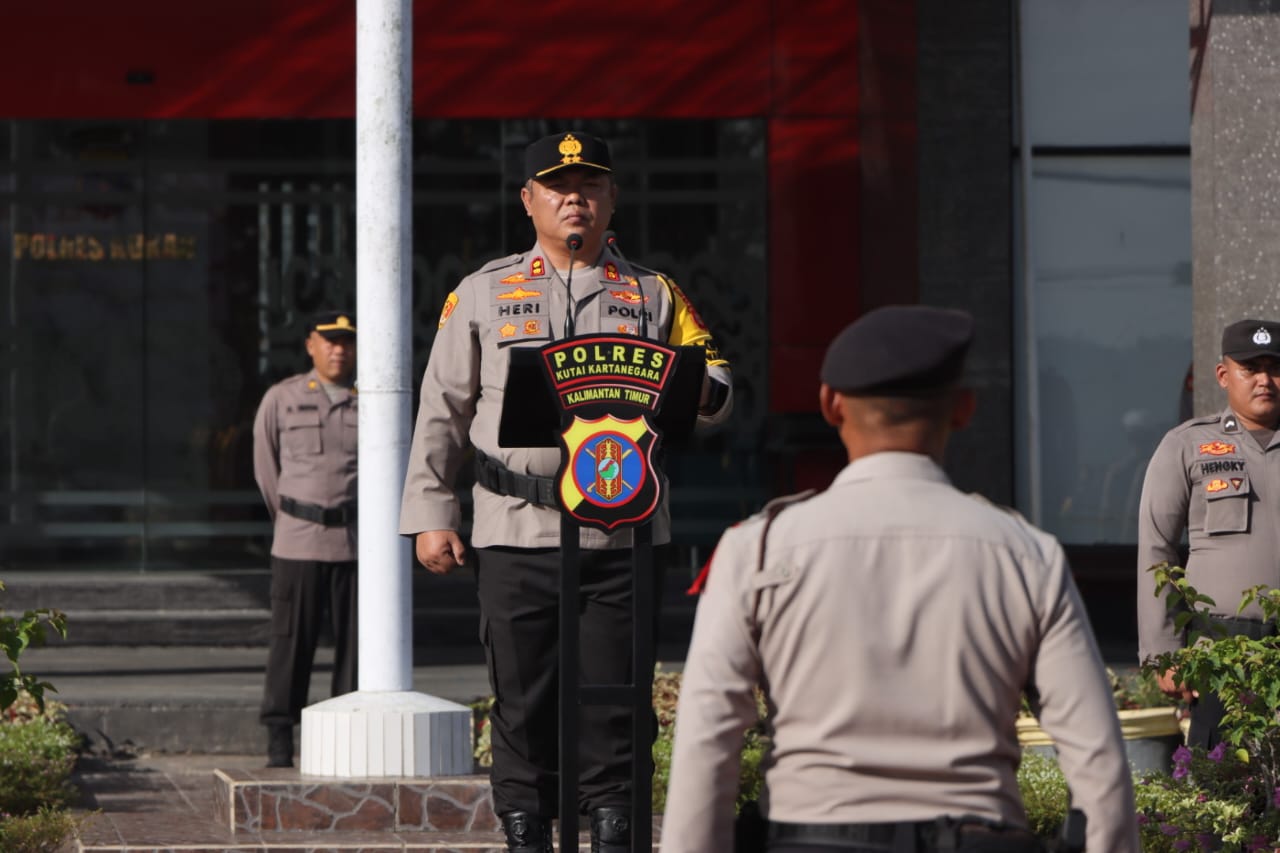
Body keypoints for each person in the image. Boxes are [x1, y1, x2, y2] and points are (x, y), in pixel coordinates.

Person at [661, 306, 1139, 853]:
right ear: (963, 410)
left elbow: (706, 743)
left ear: (830, 405)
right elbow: (1099, 760)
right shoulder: (1027, 555)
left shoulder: (758, 549)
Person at [399, 131, 733, 853]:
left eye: (589, 184)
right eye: (556, 185)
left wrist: (690, 383)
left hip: (623, 531)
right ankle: (526, 826)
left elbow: (720, 389)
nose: (574, 197)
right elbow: (442, 410)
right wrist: (430, 512)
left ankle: (615, 824)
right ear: (529, 201)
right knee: (523, 700)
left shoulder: (653, 293)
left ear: (611, 199)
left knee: (618, 698)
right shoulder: (485, 292)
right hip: (515, 528)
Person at [1137, 317, 1280, 748]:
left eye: (1274, 367)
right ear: (1223, 375)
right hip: (1220, 648)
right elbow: (1156, 551)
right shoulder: (1187, 445)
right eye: (1250, 368)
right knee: (1224, 778)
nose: (1264, 380)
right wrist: (1164, 653)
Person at [252, 310, 360, 768]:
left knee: (357, 648)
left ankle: (351, 735)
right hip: (298, 540)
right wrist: (295, 518)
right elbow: (265, 469)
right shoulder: (283, 398)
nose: (339, 349)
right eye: (330, 340)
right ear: (310, 344)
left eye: (347, 341)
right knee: (292, 641)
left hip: (358, 543)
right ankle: (281, 736)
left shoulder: (371, 400)